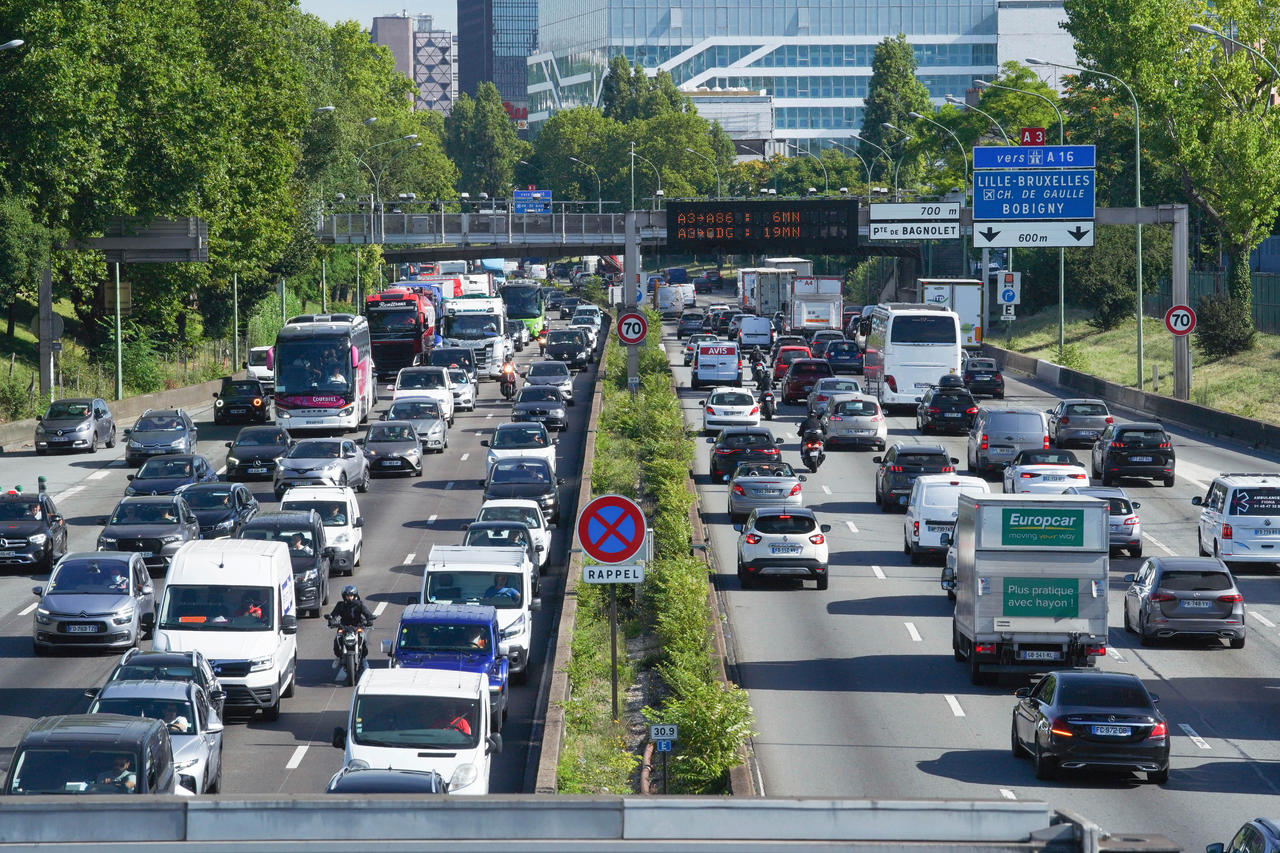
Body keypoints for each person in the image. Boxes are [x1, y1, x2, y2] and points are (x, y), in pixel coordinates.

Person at [327, 585, 375, 667]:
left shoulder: (359, 604)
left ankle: (363, 658)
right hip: (343, 626)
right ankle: (338, 657)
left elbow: (367, 613)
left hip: (357, 626)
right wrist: (331, 620)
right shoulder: (340, 605)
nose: (349, 598)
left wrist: (369, 619)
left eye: (351, 596)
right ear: (344, 596)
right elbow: (334, 614)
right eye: (347, 596)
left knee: (364, 639)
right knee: (337, 639)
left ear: (355, 596)